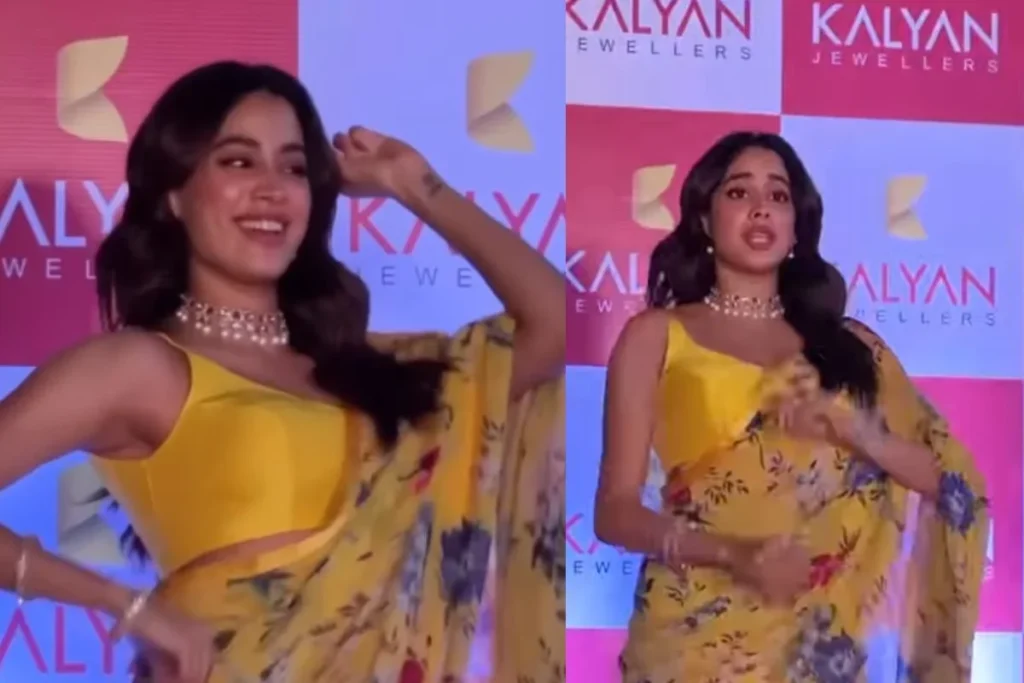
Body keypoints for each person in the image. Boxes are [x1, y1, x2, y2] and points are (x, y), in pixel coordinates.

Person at [0, 62, 565, 683]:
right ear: (173, 194)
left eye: (294, 168)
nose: (272, 189)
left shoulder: (375, 371)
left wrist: (411, 182)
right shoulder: (139, 367)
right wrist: (124, 604)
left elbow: (552, 323)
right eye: (239, 162)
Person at [596, 132, 987, 682]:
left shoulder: (850, 349)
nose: (761, 208)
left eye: (778, 195)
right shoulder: (657, 335)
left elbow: (945, 480)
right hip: (692, 644)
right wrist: (734, 553)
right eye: (739, 192)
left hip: (821, 646)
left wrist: (852, 429)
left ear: (797, 226)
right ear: (705, 220)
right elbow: (614, 512)